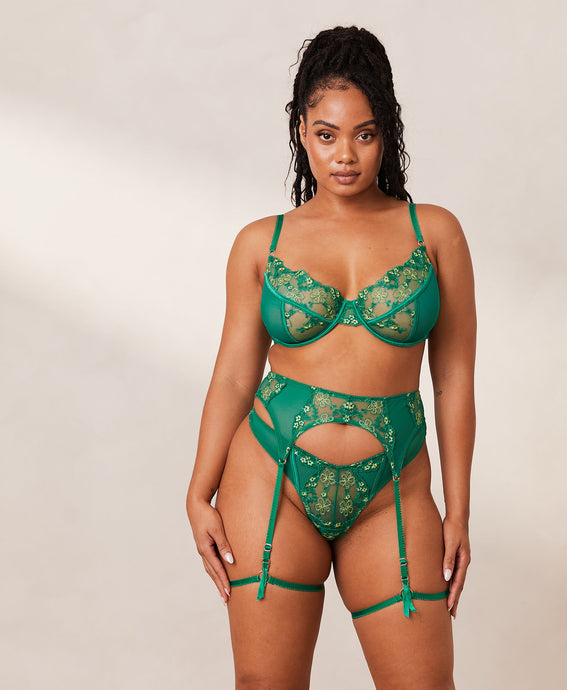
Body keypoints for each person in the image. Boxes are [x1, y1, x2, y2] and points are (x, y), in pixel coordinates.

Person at [186, 25, 476, 689]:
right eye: (326, 134)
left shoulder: (434, 233)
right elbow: (233, 375)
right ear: (301, 130)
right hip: (271, 476)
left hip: (393, 486)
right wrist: (198, 493)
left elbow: (454, 378)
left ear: (387, 132)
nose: (345, 154)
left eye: (364, 134)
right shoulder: (261, 243)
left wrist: (458, 510)